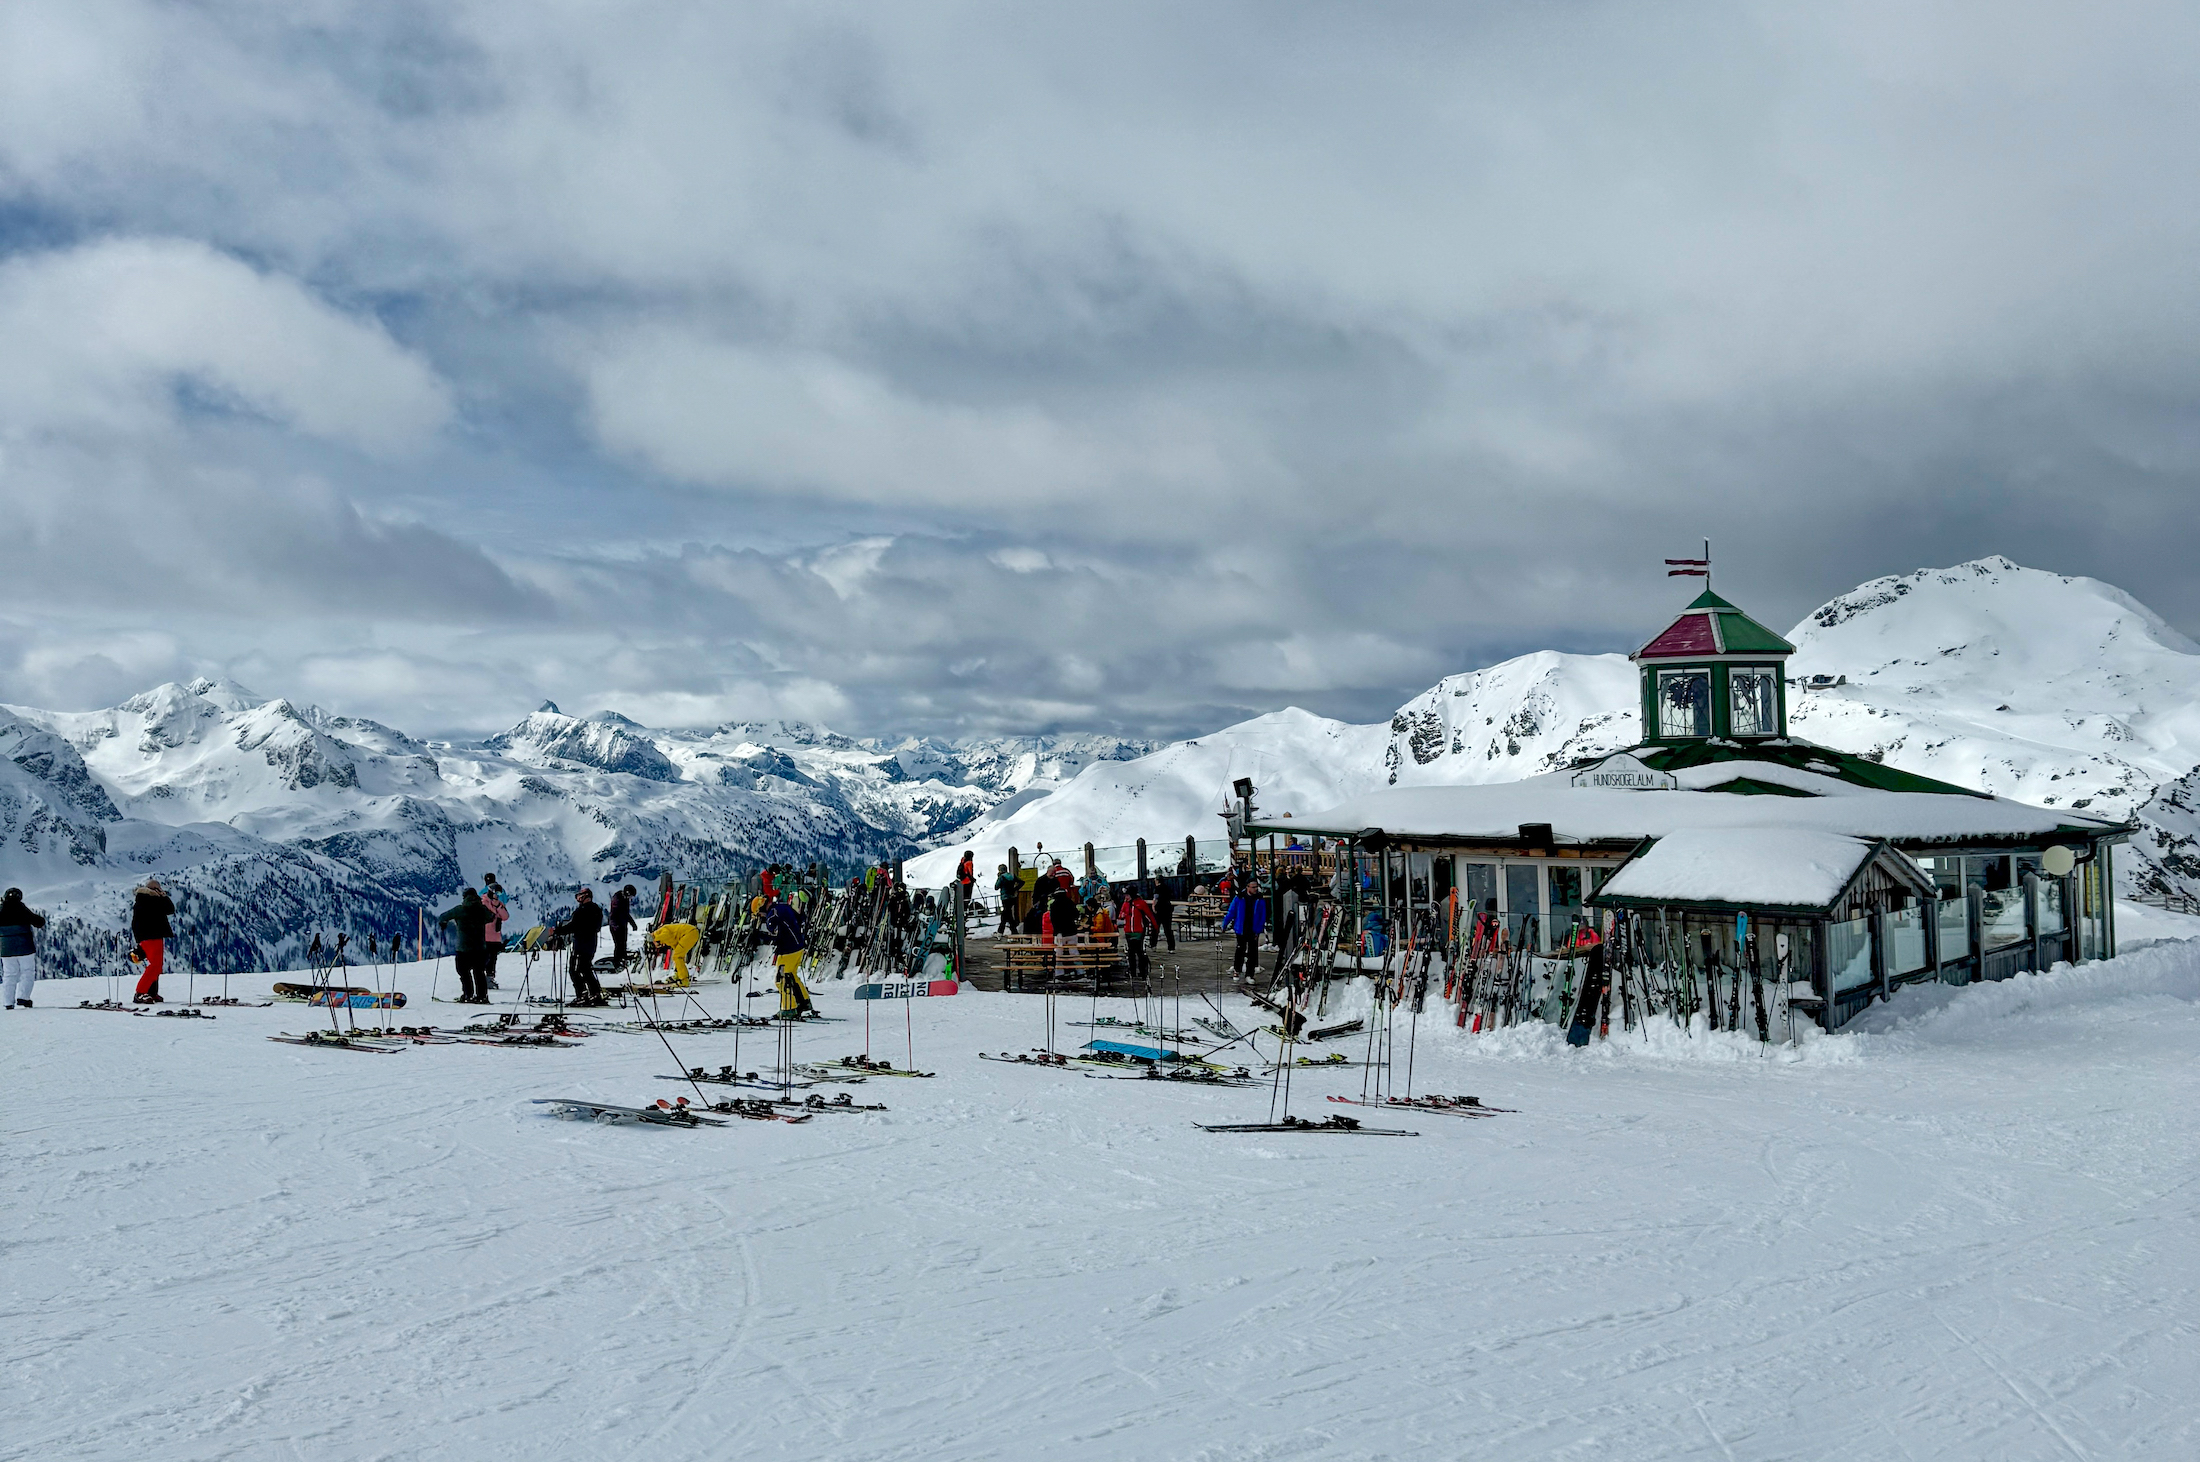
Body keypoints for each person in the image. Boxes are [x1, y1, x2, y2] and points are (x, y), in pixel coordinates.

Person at [438, 887, 496, 1003]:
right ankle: (482, 996)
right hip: (480, 947)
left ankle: (467, 994)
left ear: (464, 897)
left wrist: (443, 923)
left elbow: (443, 917)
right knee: (479, 972)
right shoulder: (482, 909)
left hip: (464, 948)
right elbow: (492, 917)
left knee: (463, 972)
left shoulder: (460, 909)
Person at [764, 893, 813, 1017]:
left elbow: (774, 933)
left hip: (787, 950)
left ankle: (788, 1008)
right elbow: (799, 918)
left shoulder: (772, 915)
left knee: (782, 979)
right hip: (798, 947)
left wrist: (760, 936)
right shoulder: (783, 907)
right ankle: (804, 1001)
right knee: (792, 975)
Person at [557, 888, 607, 1005]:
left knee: (574, 970)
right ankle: (595, 993)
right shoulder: (596, 909)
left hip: (581, 944)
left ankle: (582, 994)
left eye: (580, 895)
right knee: (586, 969)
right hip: (590, 944)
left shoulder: (582, 911)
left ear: (585, 896)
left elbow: (573, 926)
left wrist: (557, 931)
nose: (578, 898)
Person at [131, 877, 176, 1003]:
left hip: (150, 936)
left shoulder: (143, 899)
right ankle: (140, 992)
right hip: (151, 936)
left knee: (156, 965)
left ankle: (151, 992)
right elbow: (169, 909)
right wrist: (163, 896)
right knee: (155, 966)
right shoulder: (151, 899)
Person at [0, 887, 46, 1008]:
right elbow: (39, 922)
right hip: (25, 946)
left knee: (9, 974)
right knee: (27, 972)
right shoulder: (21, 908)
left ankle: (8, 1002)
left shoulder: (1, 909)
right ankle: (24, 998)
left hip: (6, 948)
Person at [1223, 880, 1268, 979]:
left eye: (1256, 887)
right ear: (1247, 887)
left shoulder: (1259, 899)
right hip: (1241, 927)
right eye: (1253, 887)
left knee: (1252, 952)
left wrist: (1259, 929)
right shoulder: (1239, 898)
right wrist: (1225, 924)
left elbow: (1262, 915)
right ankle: (1237, 969)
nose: (1255, 889)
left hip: (1253, 928)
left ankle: (1249, 974)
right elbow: (1232, 911)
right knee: (1240, 950)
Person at [1121, 887, 1156, 985]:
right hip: (1128, 931)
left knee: (1140, 952)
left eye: (1127, 895)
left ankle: (1143, 972)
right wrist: (1123, 915)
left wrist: (1154, 928)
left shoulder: (1141, 903)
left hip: (1139, 931)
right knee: (1131, 953)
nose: (1126, 897)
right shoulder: (1126, 904)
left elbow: (1149, 916)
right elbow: (1121, 914)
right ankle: (1132, 972)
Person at [480, 874, 509, 991]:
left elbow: (505, 916)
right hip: (487, 934)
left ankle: (488, 977)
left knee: (492, 958)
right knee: (487, 958)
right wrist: (496, 907)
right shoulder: (483, 901)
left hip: (494, 935)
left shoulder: (491, 895)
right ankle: (485, 978)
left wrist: (498, 906)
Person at [652, 919, 702, 984]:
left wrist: (655, 939)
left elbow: (666, 935)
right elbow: (674, 944)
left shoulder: (661, 931)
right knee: (677, 956)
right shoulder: (663, 938)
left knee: (677, 957)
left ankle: (684, 980)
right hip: (690, 933)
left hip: (690, 933)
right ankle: (678, 974)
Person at [609, 885, 638, 971]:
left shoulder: (625, 899)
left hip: (622, 925)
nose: (630, 898)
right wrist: (615, 926)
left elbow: (625, 913)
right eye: (630, 896)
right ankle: (617, 962)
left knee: (623, 942)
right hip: (616, 926)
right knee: (618, 944)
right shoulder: (617, 900)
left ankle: (623, 958)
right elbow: (613, 915)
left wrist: (632, 923)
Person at [1153, 881, 1176, 952]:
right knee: (1168, 929)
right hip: (1168, 909)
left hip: (1160, 909)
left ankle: (1153, 945)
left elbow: (1155, 899)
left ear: (1157, 881)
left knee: (1156, 928)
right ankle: (1171, 947)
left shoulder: (1157, 888)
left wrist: (1153, 907)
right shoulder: (1168, 887)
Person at [993, 864, 1016, 934]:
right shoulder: (1011, 876)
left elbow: (996, 887)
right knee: (1007, 914)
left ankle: (1002, 931)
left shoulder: (1002, 877)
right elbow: (1021, 882)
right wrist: (1016, 889)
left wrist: (998, 877)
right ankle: (1011, 931)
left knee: (1006, 915)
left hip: (1004, 897)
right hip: (1012, 897)